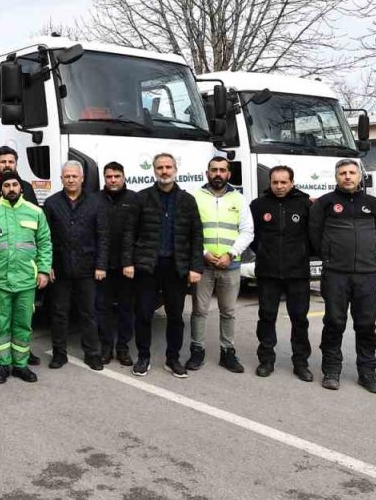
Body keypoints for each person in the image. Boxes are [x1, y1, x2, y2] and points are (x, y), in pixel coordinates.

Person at [122, 153, 204, 378]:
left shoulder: (187, 200)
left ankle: (173, 358)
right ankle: (143, 357)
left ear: (176, 169)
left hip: (176, 268)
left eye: (168, 167)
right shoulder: (142, 198)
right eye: (160, 167)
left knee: (176, 316)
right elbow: (130, 232)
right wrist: (128, 262)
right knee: (144, 314)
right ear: (154, 170)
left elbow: (197, 235)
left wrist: (196, 267)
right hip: (147, 267)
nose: (164, 171)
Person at [309, 159, 376, 393]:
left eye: (352, 172)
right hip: (335, 274)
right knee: (334, 322)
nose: (347, 177)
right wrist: (330, 256)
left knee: (366, 325)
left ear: (360, 176)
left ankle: (367, 372)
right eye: (342, 173)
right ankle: (331, 370)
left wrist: (368, 253)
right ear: (336, 177)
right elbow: (314, 235)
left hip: (365, 275)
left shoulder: (373, 203)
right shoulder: (324, 204)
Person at [0, 171, 52, 384]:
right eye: (7, 185)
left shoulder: (35, 212)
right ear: (1, 189)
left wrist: (44, 270)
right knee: (0, 324)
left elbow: (45, 243)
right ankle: (2, 365)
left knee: (23, 324)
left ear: (21, 188)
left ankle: (20, 365)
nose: (11, 188)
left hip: (27, 280)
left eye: (15, 185)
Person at [247, 165, 314, 381]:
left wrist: (302, 254)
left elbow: (313, 235)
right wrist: (265, 253)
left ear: (292, 182)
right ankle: (266, 360)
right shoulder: (258, 206)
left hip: (298, 273)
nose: (279, 186)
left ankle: (301, 363)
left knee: (299, 319)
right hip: (268, 272)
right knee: (266, 317)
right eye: (275, 182)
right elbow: (252, 236)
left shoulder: (305, 204)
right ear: (270, 183)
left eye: (284, 182)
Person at [189, 156, 253, 373]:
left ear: (229, 174)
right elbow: (189, 230)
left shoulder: (239, 198)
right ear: (207, 173)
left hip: (230, 265)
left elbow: (247, 231)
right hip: (203, 265)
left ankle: (228, 353)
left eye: (222, 170)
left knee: (228, 311)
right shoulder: (196, 197)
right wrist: (204, 253)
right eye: (214, 170)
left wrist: (231, 254)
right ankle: (197, 351)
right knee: (199, 310)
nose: (218, 174)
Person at [42, 161, 108, 370]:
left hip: (87, 268)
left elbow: (103, 236)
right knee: (59, 313)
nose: (70, 179)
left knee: (88, 313)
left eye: (74, 176)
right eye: (66, 176)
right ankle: (59, 353)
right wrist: (47, 265)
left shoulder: (96, 203)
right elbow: (45, 238)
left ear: (82, 178)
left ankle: (92, 353)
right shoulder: (52, 203)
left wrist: (100, 265)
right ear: (61, 179)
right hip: (59, 268)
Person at [99, 162, 139, 367]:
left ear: (124, 177)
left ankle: (123, 348)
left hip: (127, 267)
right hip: (103, 267)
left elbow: (136, 233)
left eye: (116, 176)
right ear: (104, 178)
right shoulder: (96, 199)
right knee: (103, 308)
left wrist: (130, 261)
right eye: (109, 176)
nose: (112, 180)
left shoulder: (134, 199)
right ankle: (106, 347)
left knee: (126, 309)